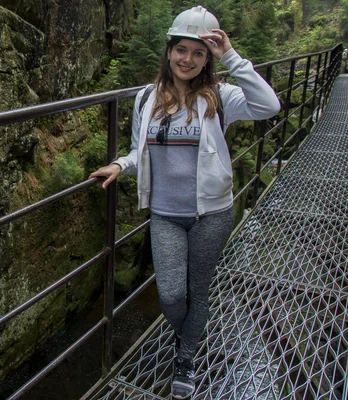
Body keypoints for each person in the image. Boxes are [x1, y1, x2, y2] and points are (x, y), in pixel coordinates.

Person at [89, 6, 280, 399]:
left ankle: (185, 356)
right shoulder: (146, 98)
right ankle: (187, 334)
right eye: (182, 50)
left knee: (199, 289)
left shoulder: (220, 97)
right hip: (165, 214)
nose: (188, 60)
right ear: (169, 50)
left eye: (199, 53)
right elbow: (136, 150)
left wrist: (232, 56)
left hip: (212, 213)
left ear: (208, 59)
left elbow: (269, 106)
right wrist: (118, 165)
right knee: (173, 295)